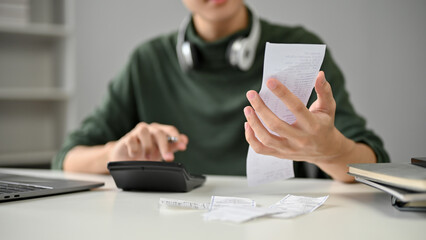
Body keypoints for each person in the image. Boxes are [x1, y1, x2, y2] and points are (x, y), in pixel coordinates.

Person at [52, 0, 389, 182]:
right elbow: (65, 159)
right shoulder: (147, 61)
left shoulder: (300, 48)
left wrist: (329, 150)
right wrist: (114, 154)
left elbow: (374, 163)